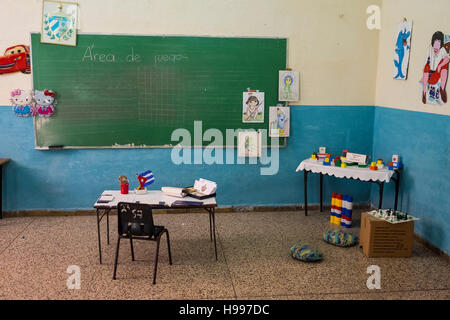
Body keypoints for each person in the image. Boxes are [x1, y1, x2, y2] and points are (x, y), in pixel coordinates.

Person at [421, 31, 450, 103]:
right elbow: (425, 67)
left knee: (445, 63)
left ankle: (442, 89)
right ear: (433, 42)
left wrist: (440, 66)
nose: (437, 44)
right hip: (429, 76)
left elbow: (447, 59)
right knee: (427, 66)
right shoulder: (429, 49)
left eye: (439, 42)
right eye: (435, 41)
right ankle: (424, 92)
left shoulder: (442, 50)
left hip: (437, 74)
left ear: (441, 44)